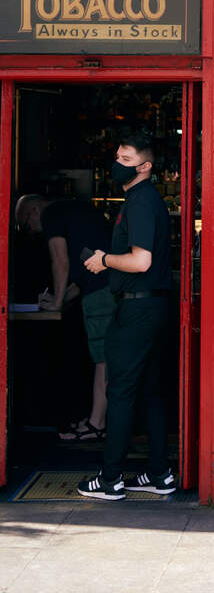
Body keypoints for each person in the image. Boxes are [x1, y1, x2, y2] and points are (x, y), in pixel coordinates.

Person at [77, 131, 175, 500]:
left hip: (137, 308)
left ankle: (110, 479)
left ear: (145, 166)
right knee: (149, 392)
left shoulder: (140, 202)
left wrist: (104, 260)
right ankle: (160, 474)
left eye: (127, 159)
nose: (118, 164)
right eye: (118, 156)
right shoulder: (142, 199)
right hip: (151, 307)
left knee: (119, 391)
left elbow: (141, 260)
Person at [15, 193, 112, 440]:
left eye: (28, 226)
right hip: (111, 286)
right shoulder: (76, 212)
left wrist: (57, 301)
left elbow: (60, 262)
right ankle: (97, 420)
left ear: (34, 212)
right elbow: (85, 268)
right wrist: (61, 297)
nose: (35, 233)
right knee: (107, 357)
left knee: (103, 359)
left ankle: (96, 424)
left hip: (102, 294)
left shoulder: (51, 214)